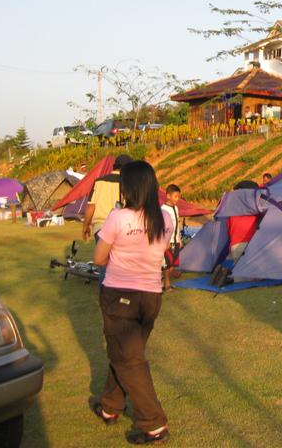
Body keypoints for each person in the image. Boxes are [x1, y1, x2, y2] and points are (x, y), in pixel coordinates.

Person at [91, 160, 172, 445]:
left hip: (120, 296)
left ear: (128, 188)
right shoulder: (165, 218)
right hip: (151, 298)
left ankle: (154, 424)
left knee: (129, 359)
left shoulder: (119, 217)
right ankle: (110, 407)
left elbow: (98, 258)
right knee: (125, 354)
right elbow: (160, 251)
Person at [82, 154, 133, 243]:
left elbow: (91, 206)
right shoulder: (128, 183)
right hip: (121, 228)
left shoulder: (98, 182)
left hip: (100, 228)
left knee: (102, 252)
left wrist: (85, 226)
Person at [161, 184, 183, 293]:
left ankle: (162, 282)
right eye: (175, 196)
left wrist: (179, 239)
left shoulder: (176, 208)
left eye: (178, 197)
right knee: (166, 264)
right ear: (168, 196)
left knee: (173, 264)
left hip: (176, 241)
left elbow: (176, 225)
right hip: (168, 242)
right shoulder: (163, 209)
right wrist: (165, 242)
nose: (177, 199)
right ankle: (167, 285)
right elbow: (162, 227)